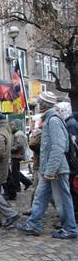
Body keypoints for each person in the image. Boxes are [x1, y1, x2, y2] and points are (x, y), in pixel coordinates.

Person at [17, 92, 78, 239]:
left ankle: (70, 228)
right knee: (40, 197)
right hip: (48, 169)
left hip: (55, 169)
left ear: (44, 104)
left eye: (39, 101)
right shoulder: (50, 119)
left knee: (62, 199)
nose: (37, 104)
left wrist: (50, 170)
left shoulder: (54, 120)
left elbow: (58, 147)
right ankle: (33, 224)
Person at [56, 101, 78, 221]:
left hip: (72, 164)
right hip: (72, 163)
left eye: (59, 110)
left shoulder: (70, 124)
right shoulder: (69, 123)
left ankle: (73, 215)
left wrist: (72, 165)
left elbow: (73, 146)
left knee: (71, 190)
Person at [10, 119, 32, 198]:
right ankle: (26, 182)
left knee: (15, 172)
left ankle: (18, 186)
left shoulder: (19, 134)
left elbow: (18, 145)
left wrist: (9, 149)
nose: (11, 126)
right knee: (15, 171)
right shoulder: (16, 133)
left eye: (13, 125)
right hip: (15, 155)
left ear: (16, 125)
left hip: (17, 155)